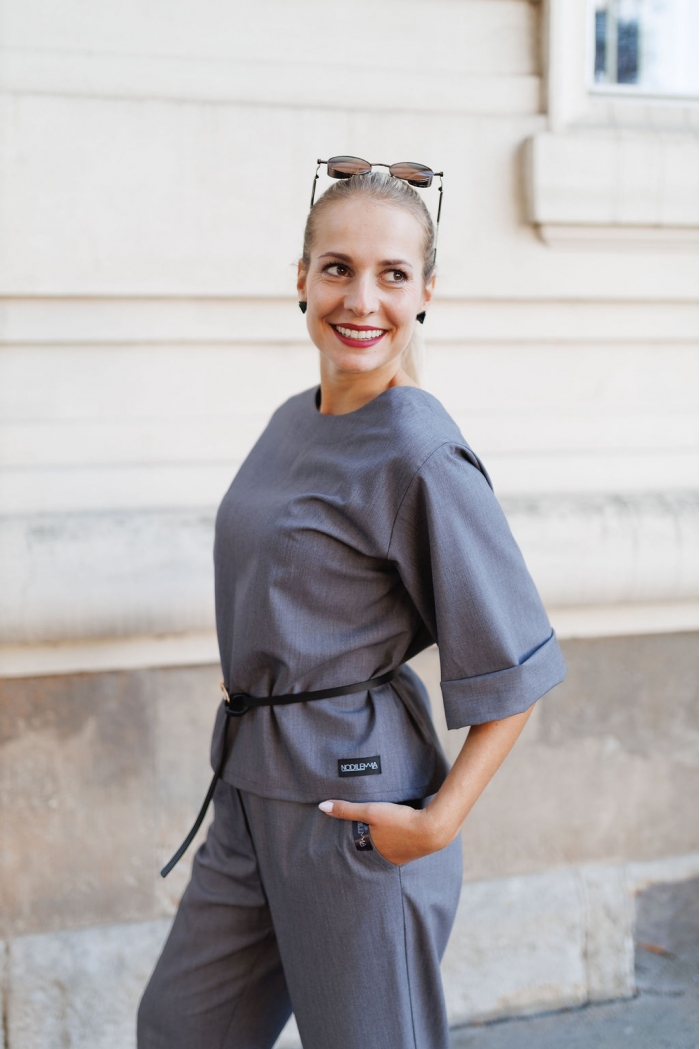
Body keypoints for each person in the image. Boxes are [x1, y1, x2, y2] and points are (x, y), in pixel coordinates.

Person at [137, 160, 566, 1049]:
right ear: (301, 277)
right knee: (180, 1027)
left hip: (352, 808)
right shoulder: (294, 418)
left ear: (425, 293)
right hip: (249, 789)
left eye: (392, 274)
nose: (361, 299)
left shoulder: (421, 451)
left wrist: (435, 825)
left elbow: (517, 667)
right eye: (338, 268)